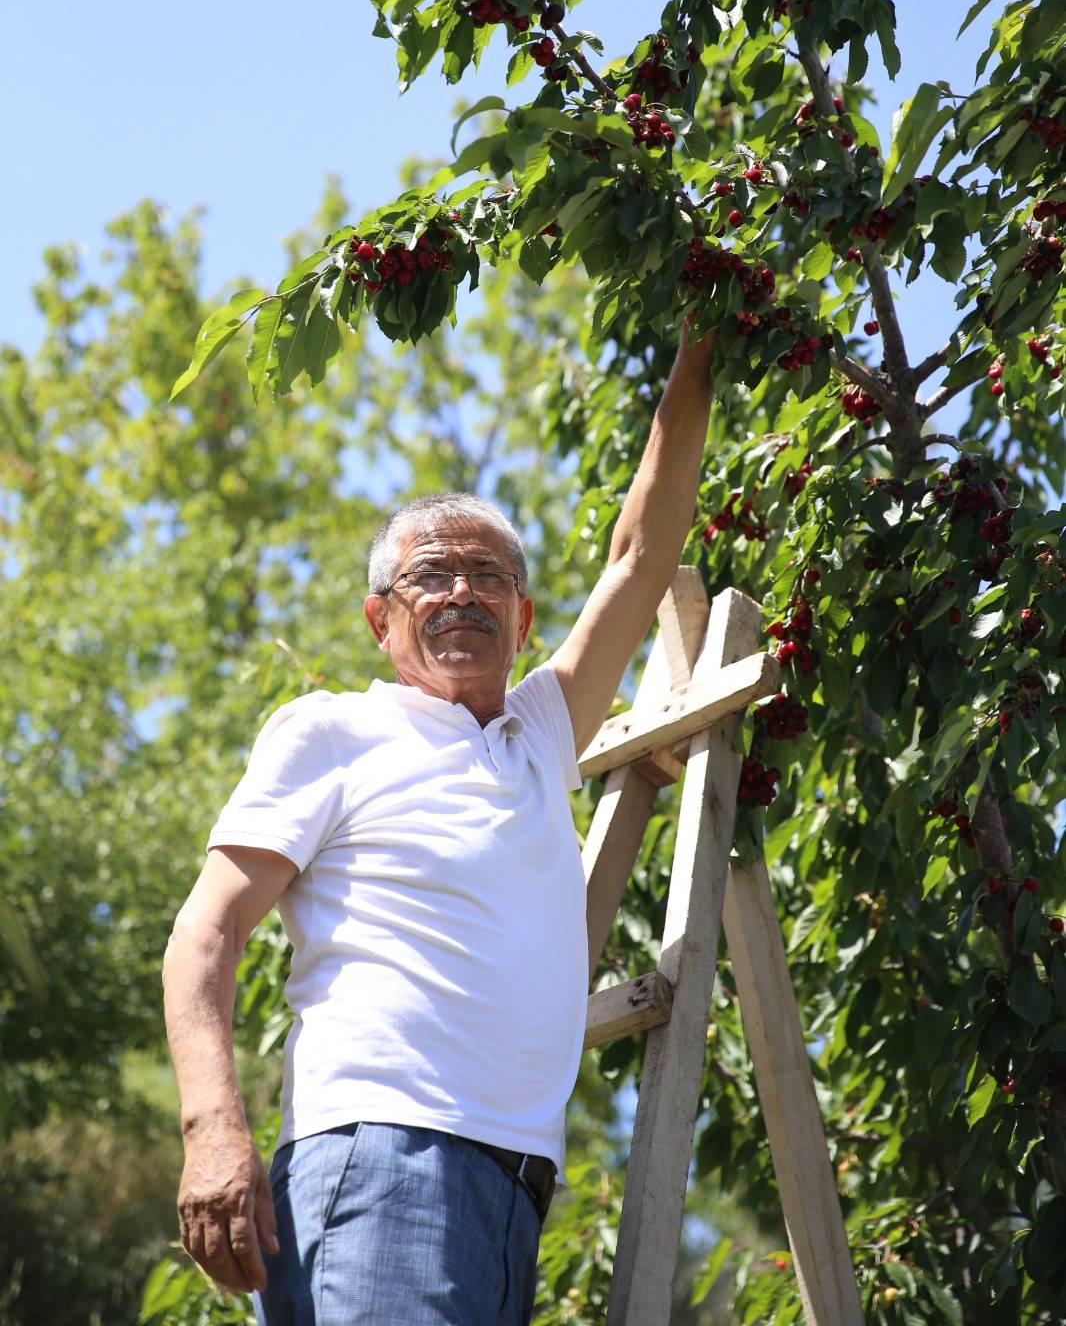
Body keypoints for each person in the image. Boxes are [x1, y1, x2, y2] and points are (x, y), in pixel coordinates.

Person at [162, 325, 716, 1325]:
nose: (461, 591)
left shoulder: (537, 734)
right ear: (381, 619)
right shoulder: (336, 730)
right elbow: (205, 931)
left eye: (487, 577)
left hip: (506, 1185)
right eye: (430, 576)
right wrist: (212, 1128)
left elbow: (640, 556)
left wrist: (702, 336)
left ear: (523, 617)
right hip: (382, 1153)